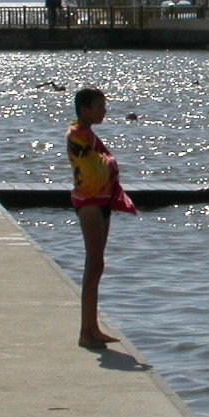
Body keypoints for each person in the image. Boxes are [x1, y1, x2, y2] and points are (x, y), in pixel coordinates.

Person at [68, 88, 137, 349]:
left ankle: (92, 327)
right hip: (89, 202)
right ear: (84, 109)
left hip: (102, 201)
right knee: (93, 263)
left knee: (97, 265)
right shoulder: (77, 134)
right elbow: (91, 166)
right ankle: (86, 332)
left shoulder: (89, 135)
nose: (104, 111)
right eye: (99, 106)